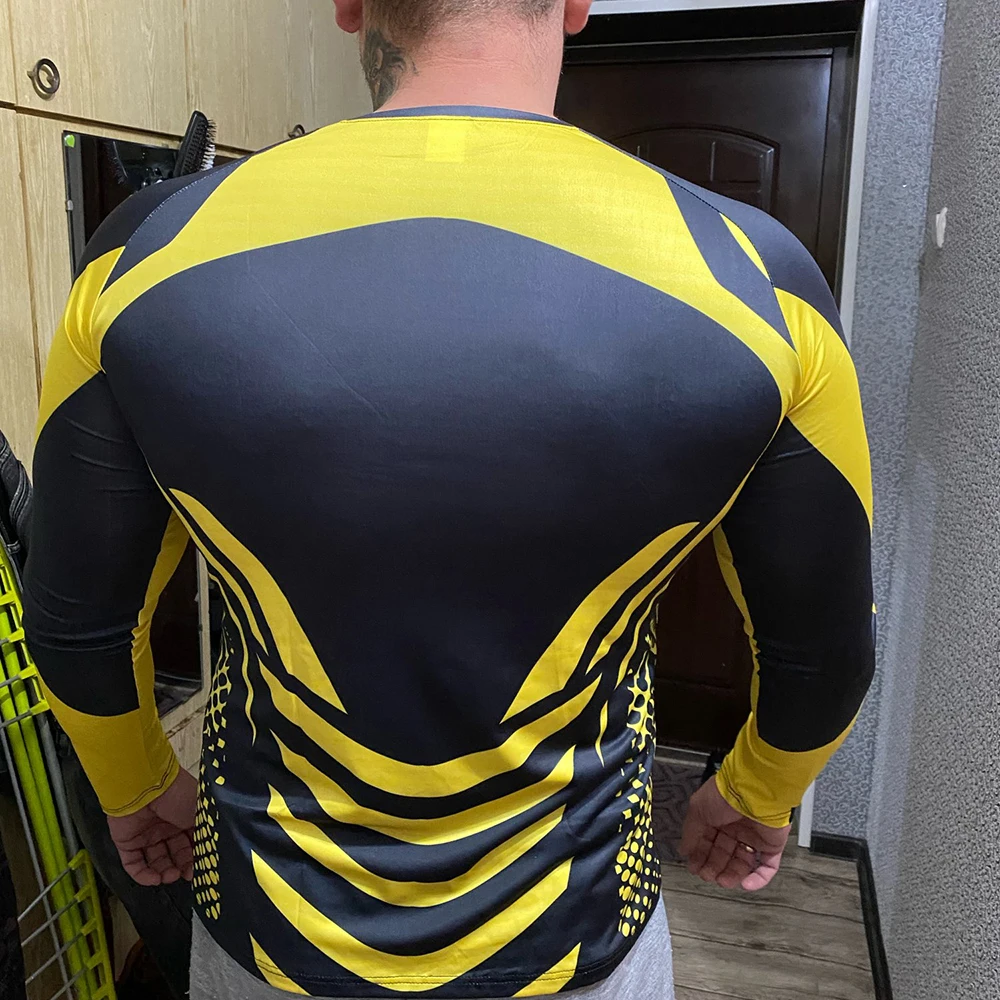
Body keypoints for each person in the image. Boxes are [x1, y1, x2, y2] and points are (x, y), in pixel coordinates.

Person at [22, 0, 876, 997]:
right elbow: (824, 656)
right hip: (574, 939)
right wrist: (756, 797)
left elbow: (78, 627)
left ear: (350, 6)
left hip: (274, 934)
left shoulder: (141, 256)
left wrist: (134, 788)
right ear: (576, 4)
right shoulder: (758, 279)